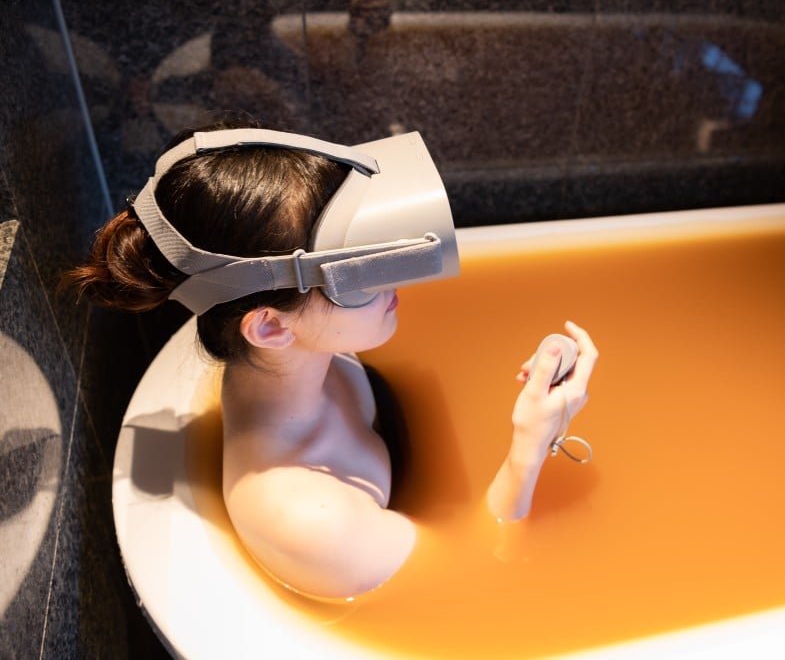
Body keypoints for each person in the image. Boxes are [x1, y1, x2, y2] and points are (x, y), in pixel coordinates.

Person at [66, 119, 598, 600]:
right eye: (357, 273)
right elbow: (474, 573)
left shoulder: (297, 350)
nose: (391, 280)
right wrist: (533, 444)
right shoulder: (308, 519)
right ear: (270, 326)